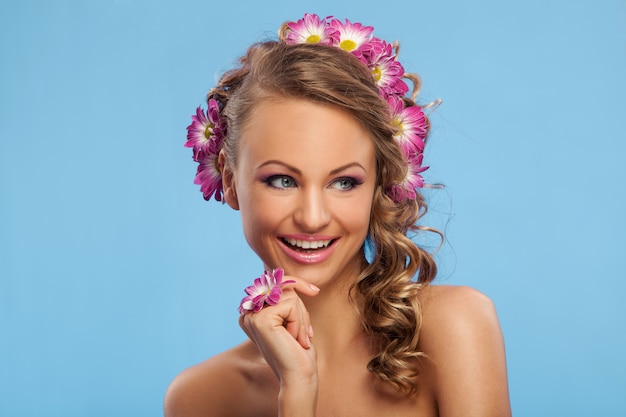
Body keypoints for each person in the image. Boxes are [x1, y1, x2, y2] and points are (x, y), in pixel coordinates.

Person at [165, 14, 511, 417]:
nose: (312, 218)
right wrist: (296, 390)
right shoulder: (202, 398)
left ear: (381, 181)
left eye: (344, 182)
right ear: (228, 178)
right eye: (281, 180)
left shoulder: (453, 329)